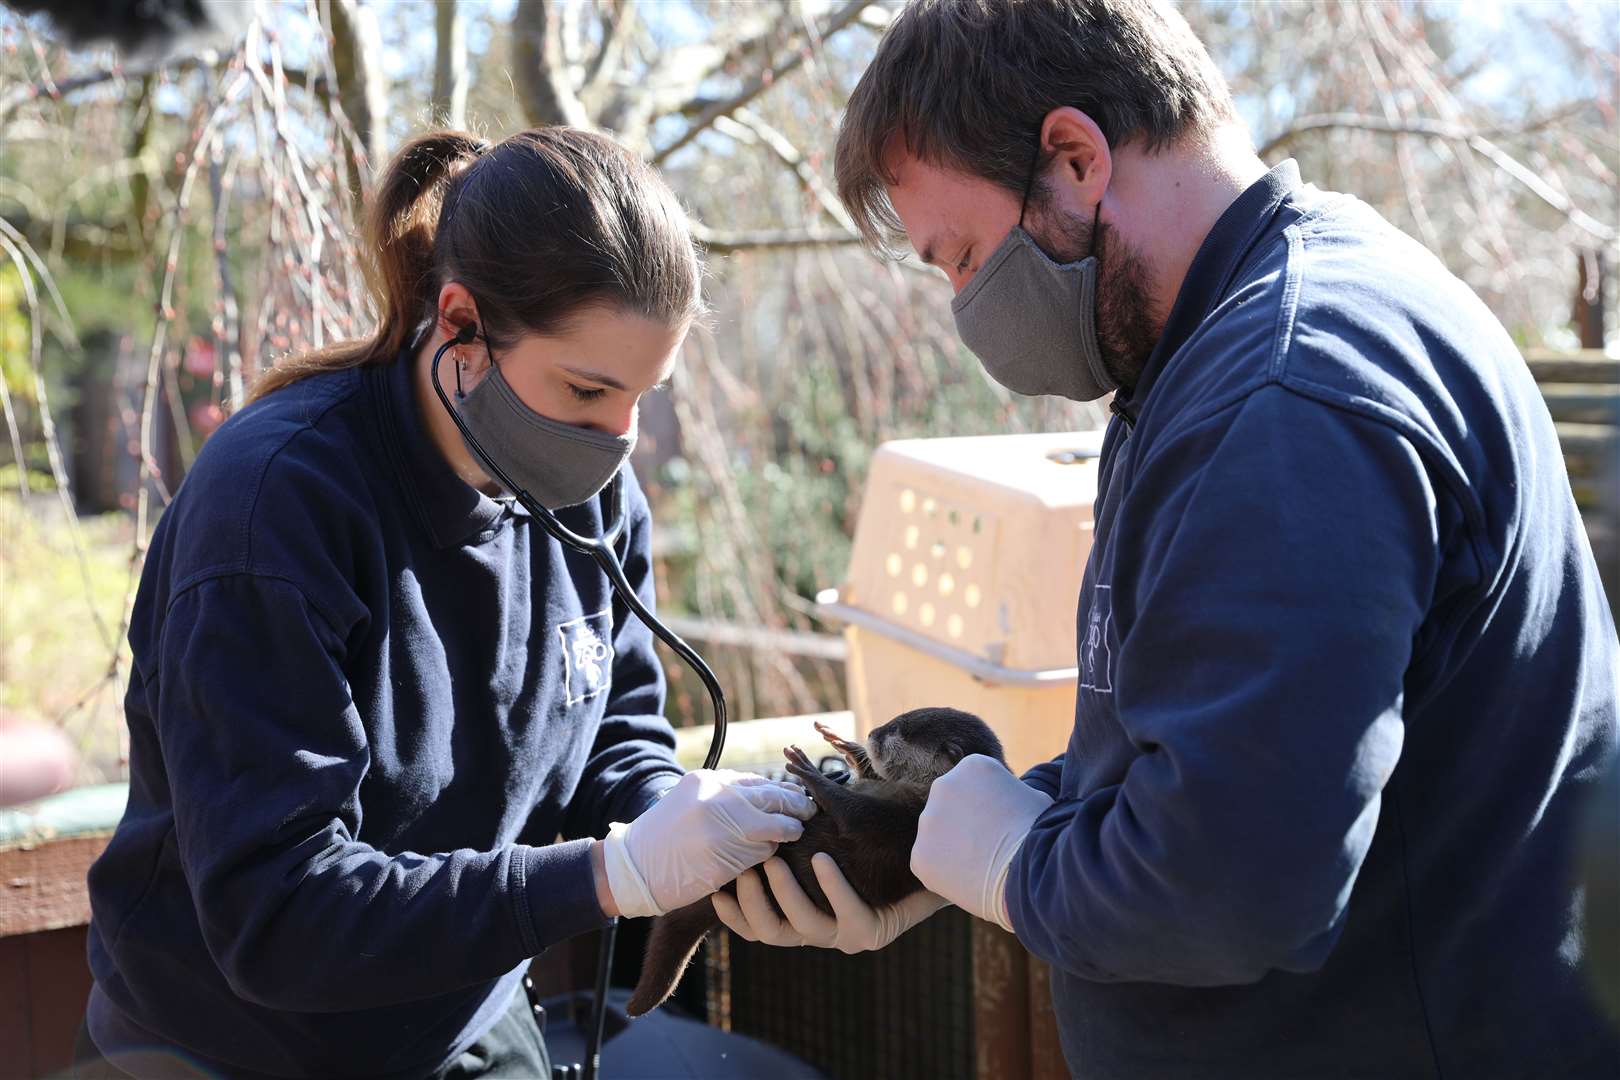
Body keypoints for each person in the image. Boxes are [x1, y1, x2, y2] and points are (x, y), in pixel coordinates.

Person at [715, 1, 1620, 1076]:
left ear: (1075, 157)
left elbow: (1233, 885)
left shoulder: (1285, 398)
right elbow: (1204, 755)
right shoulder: (1209, 356)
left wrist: (1015, 866)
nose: (966, 308)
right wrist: (945, 843)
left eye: (961, 257)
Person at [75, 127, 816, 1079]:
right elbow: (279, 915)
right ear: (460, 323)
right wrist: (617, 875)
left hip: (462, 1019)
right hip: (231, 1047)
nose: (619, 440)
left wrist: (683, 826)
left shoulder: (584, 492)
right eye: (587, 388)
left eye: (643, 394)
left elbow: (612, 732)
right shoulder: (274, 512)